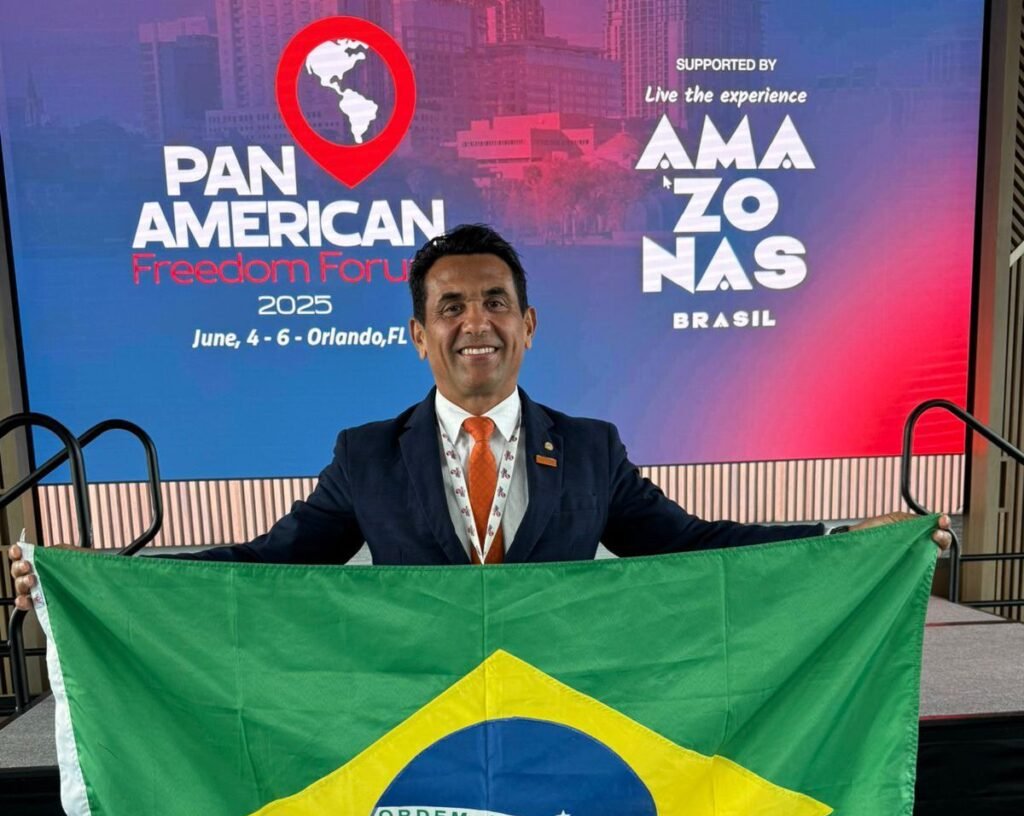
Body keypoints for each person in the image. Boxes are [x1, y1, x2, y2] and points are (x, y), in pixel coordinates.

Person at [9, 224, 952, 604]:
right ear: (418, 335)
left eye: (496, 302)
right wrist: (98, 578)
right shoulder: (366, 455)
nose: (476, 323)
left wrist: (845, 540)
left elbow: (693, 544)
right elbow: (269, 563)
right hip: (420, 726)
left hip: (560, 720)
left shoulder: (591, 450)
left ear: (528, 324)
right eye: (451, 306)